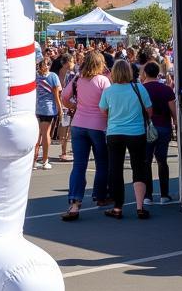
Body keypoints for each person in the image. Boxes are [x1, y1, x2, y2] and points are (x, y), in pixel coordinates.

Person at [61, 50, 112, 221]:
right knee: (102, 163)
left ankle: (75, 202)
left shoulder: (77, 79)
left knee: (79, 165)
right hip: (98, 125)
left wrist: (74, 106)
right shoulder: (103, 81)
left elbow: (64, 97)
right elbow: (108, 103)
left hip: (79, 124)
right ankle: (100, 196)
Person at [98, 60, 152, 219]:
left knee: (115, 169)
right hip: (136, 132)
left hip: (115, 132)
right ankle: (140, 206)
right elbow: (149, 111)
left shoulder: (108, 91)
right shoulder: (139, 88)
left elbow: (103, 111)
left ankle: (117, 207)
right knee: (138, 168)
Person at [141, 61, 176, 203]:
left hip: (146, 128)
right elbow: (173, 111)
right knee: (162, 161)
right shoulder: (167, 89)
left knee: (146, 162)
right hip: (163, 127)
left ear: (144, 73)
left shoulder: (141, 89)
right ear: (158, 73)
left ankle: (147, 195)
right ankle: (164, 194)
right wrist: (177, 126)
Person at [33, 58, 61, 170]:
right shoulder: (53, 76)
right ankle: (45, 161)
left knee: (37, 135)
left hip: (37, 107)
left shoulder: (36, 77)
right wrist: (60, 109)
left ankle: (34, 161)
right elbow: (56, 94)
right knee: (46, 134)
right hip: (48, 108)